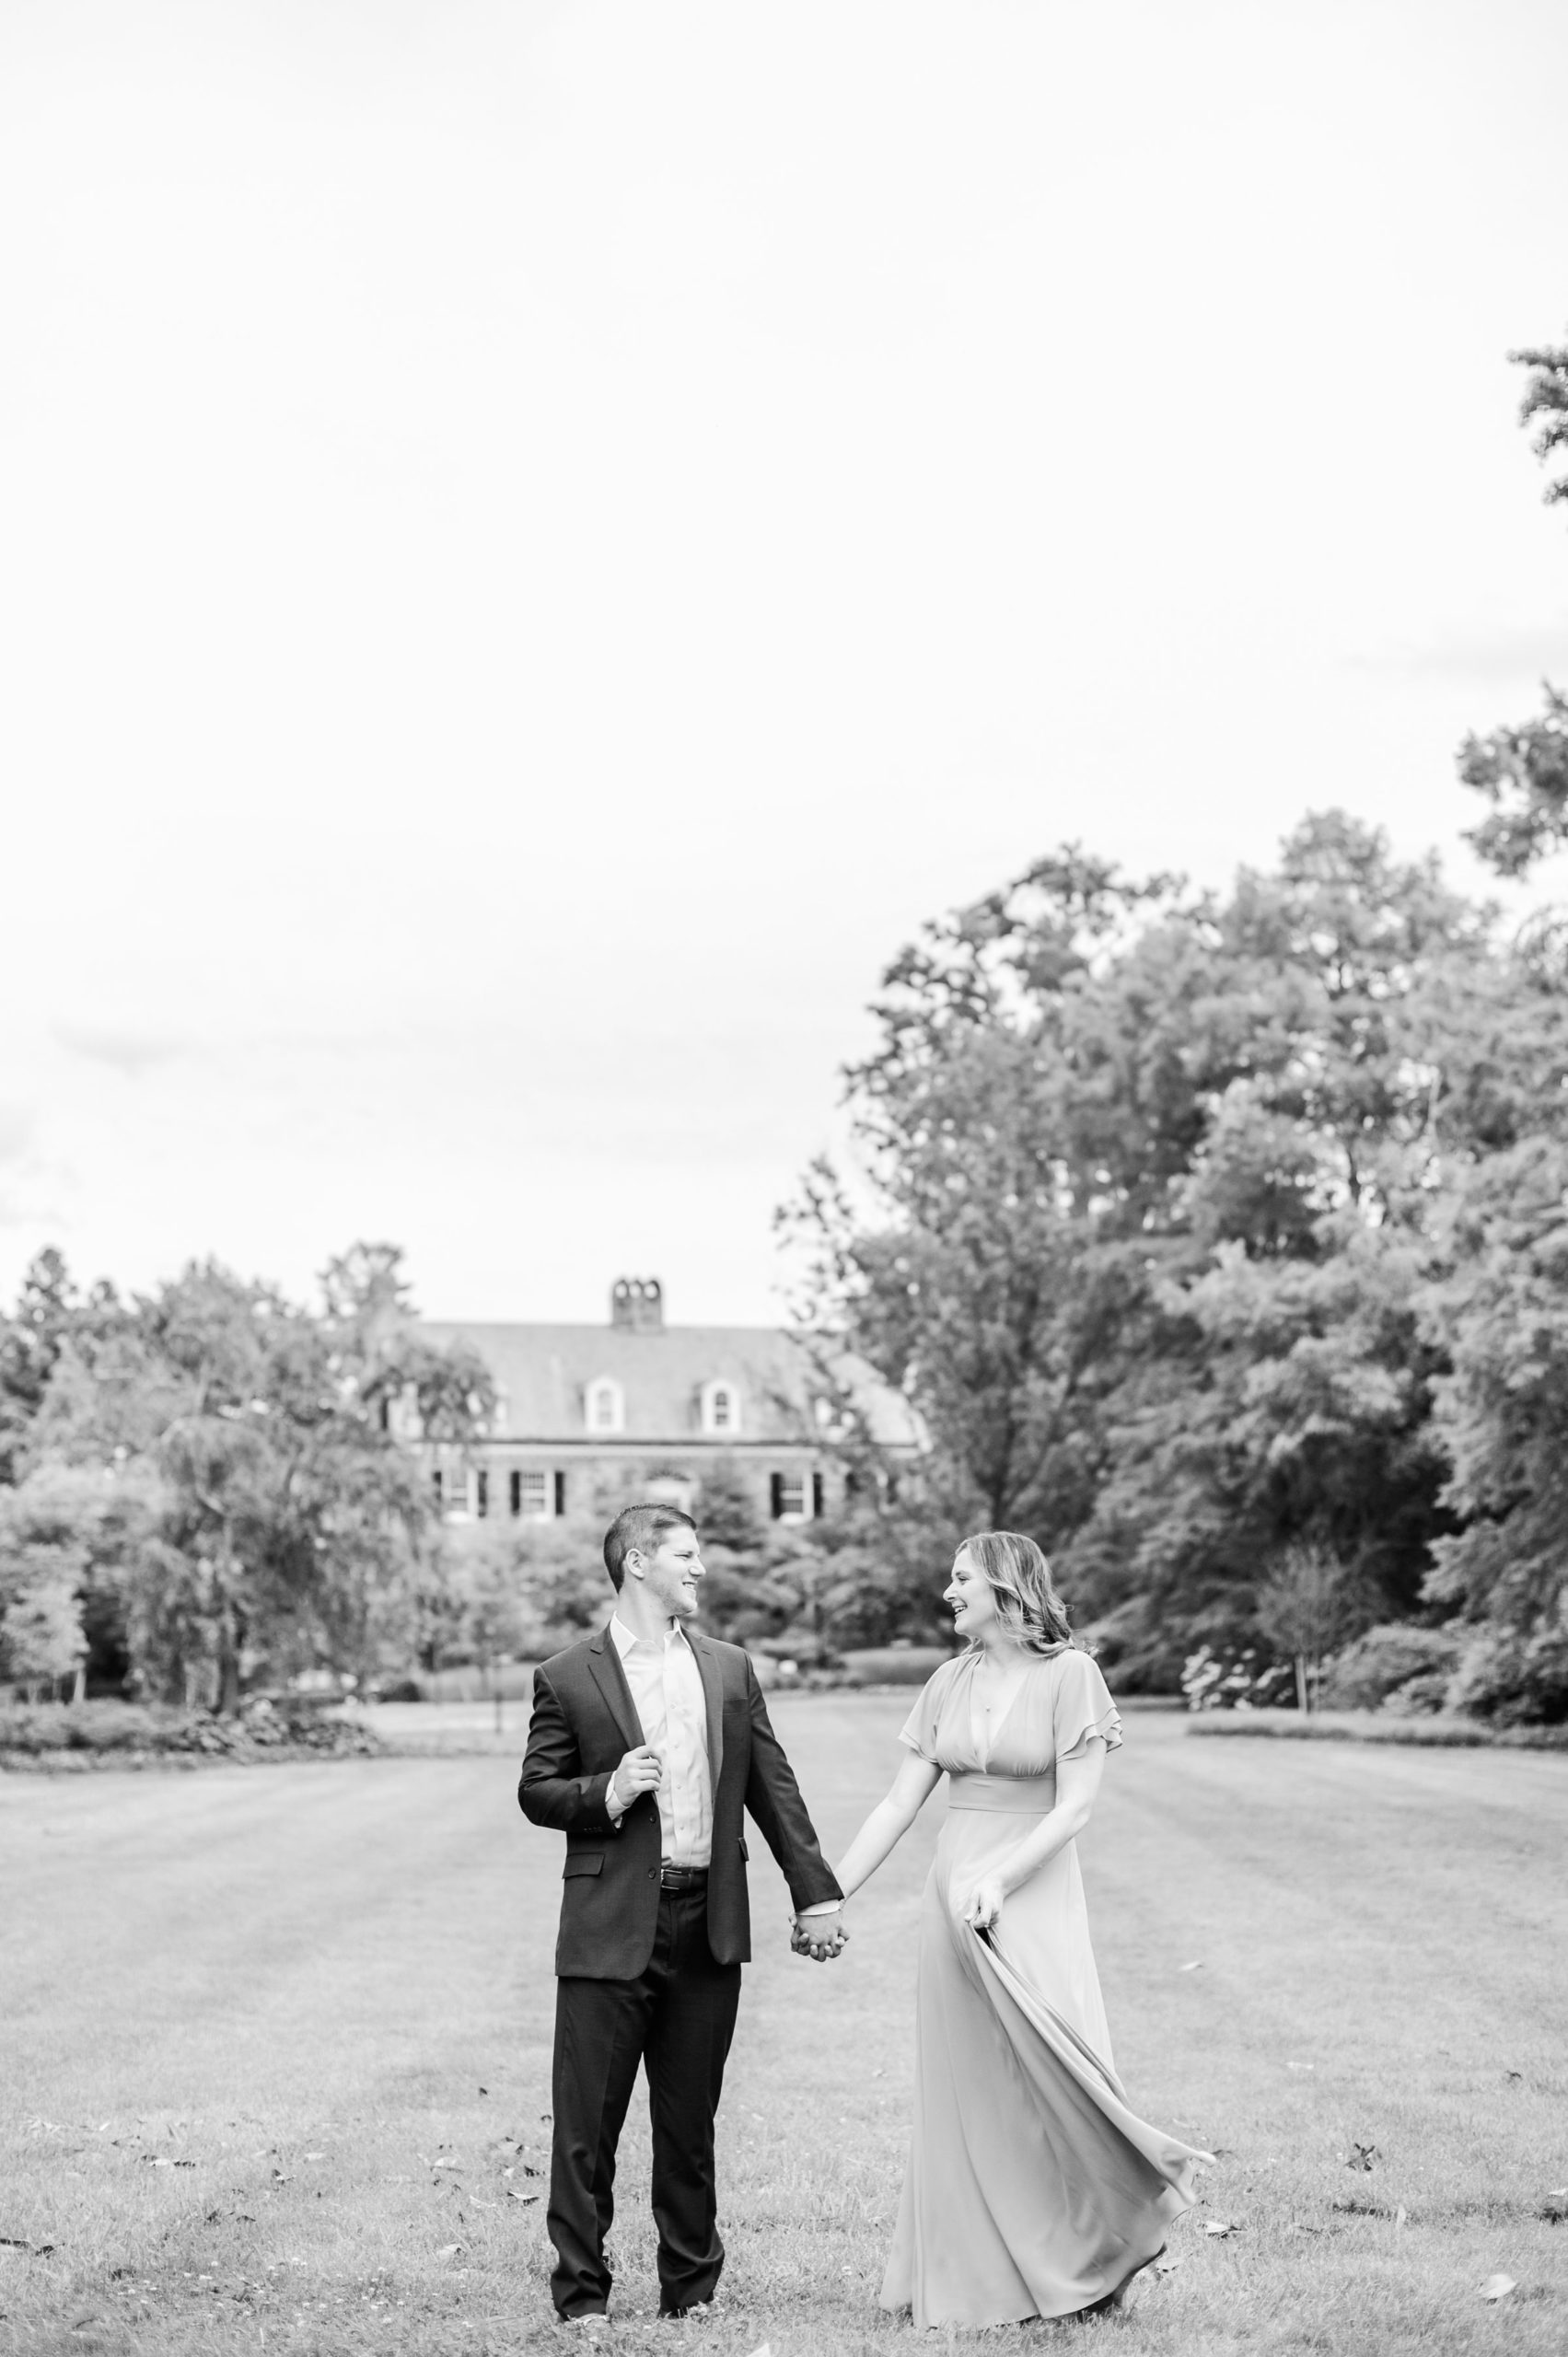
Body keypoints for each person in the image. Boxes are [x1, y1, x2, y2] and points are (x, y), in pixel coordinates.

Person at [830, 1530, 1210, 2329]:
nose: (947, 1591)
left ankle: (1096, 2253)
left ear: (1005, 1586)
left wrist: (999, 1880)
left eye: (961, 1578)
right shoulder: (945, 1681)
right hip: (951, 1894)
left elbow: (1074, 1806)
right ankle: (979, 2271)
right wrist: (827, 1894)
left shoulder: (1070, 1675)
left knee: (1054, 2069)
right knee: (970, 2087)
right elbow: (899, 1804)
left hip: (1028, 1888)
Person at [518, 1503, 845, 2325]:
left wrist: (814, 1894)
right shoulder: (566, 1675)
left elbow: (774, 1788)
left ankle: (691, 2292)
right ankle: (582, 2299)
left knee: (688, 2123)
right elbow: (536, 1789)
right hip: (607, 1927)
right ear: (636, 1563)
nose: (700, 1569)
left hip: (708, 1924)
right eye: (686, 1555)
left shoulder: (729, 1668)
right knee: (587, 2128)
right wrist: (608, 1791)